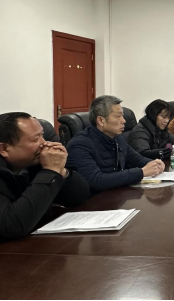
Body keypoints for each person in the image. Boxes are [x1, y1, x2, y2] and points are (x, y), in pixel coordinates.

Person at [0, 112, 90, 241]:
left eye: (42, 135)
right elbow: (12, 226)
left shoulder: (36, 162)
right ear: (4, 149)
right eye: (35, 140)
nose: (45, 143)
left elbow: (80, 196)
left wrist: (61, 170)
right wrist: (50, 172)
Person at [67, 96, 165, 194]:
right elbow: (96, 181)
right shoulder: (79, 145)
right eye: (118, 116)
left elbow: (137, 159)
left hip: (118, 194)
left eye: (122, 116)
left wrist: (155, 164)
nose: (124, 120)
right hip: (96, 200)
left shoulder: (117, 138)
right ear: (101, 120)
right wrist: (141, 172)